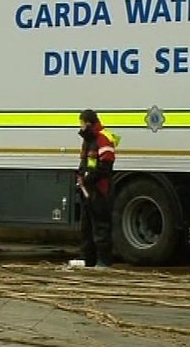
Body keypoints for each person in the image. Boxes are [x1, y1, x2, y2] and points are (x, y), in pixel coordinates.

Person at [76, 109, 120, 269]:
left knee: (101, 227)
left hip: (100, 190)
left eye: (81, 123)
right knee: (86, 228)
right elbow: (84, 163)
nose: (79, 126)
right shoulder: (88, 140)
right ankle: (89, 261)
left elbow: (105, 166)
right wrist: (80, 178)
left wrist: (88, 178)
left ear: (87, 123)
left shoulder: (103, 138)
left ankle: (104, 262)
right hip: (88, 190)